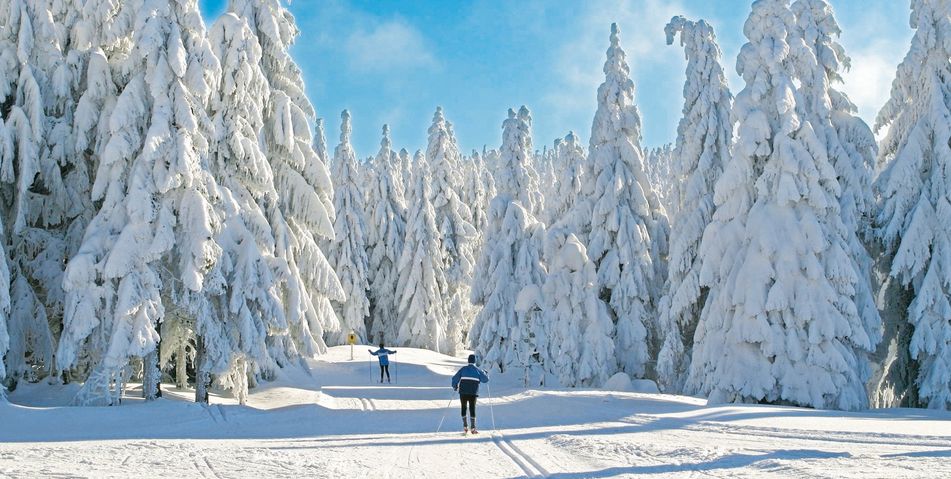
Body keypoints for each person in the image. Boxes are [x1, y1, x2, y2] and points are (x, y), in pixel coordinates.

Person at [451, 354, 490, 434]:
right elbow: (485, 379)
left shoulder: (463, 369)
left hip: (463, 392)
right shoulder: (478, 370)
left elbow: (455, 378)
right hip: (473, 392)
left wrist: (455, 386)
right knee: (472, 408)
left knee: (463, 407)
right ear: (475, 361)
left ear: (468, 361)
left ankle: (465, 426)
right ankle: (473, 428)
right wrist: (485, 373)